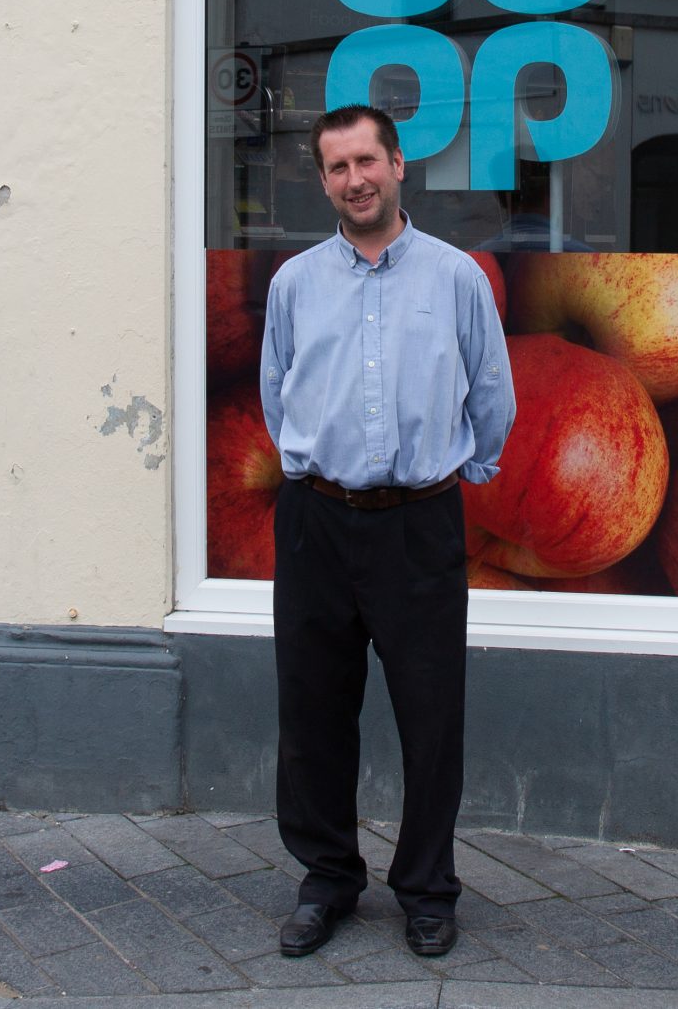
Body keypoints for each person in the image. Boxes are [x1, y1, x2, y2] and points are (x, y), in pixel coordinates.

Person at [258, 103, 515, 960]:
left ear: (399, 165)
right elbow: (276, 393)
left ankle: (428, 889)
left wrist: (459, 475)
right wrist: (312, 472)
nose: (354, 179)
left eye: (367, 160)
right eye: (337, 167)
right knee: (312, 712)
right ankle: (327, 878)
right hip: (316, 523)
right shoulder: (295, 282)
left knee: (431, 717)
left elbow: (492, 393)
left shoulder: (456, 277)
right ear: (323, 180)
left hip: (418, 524)